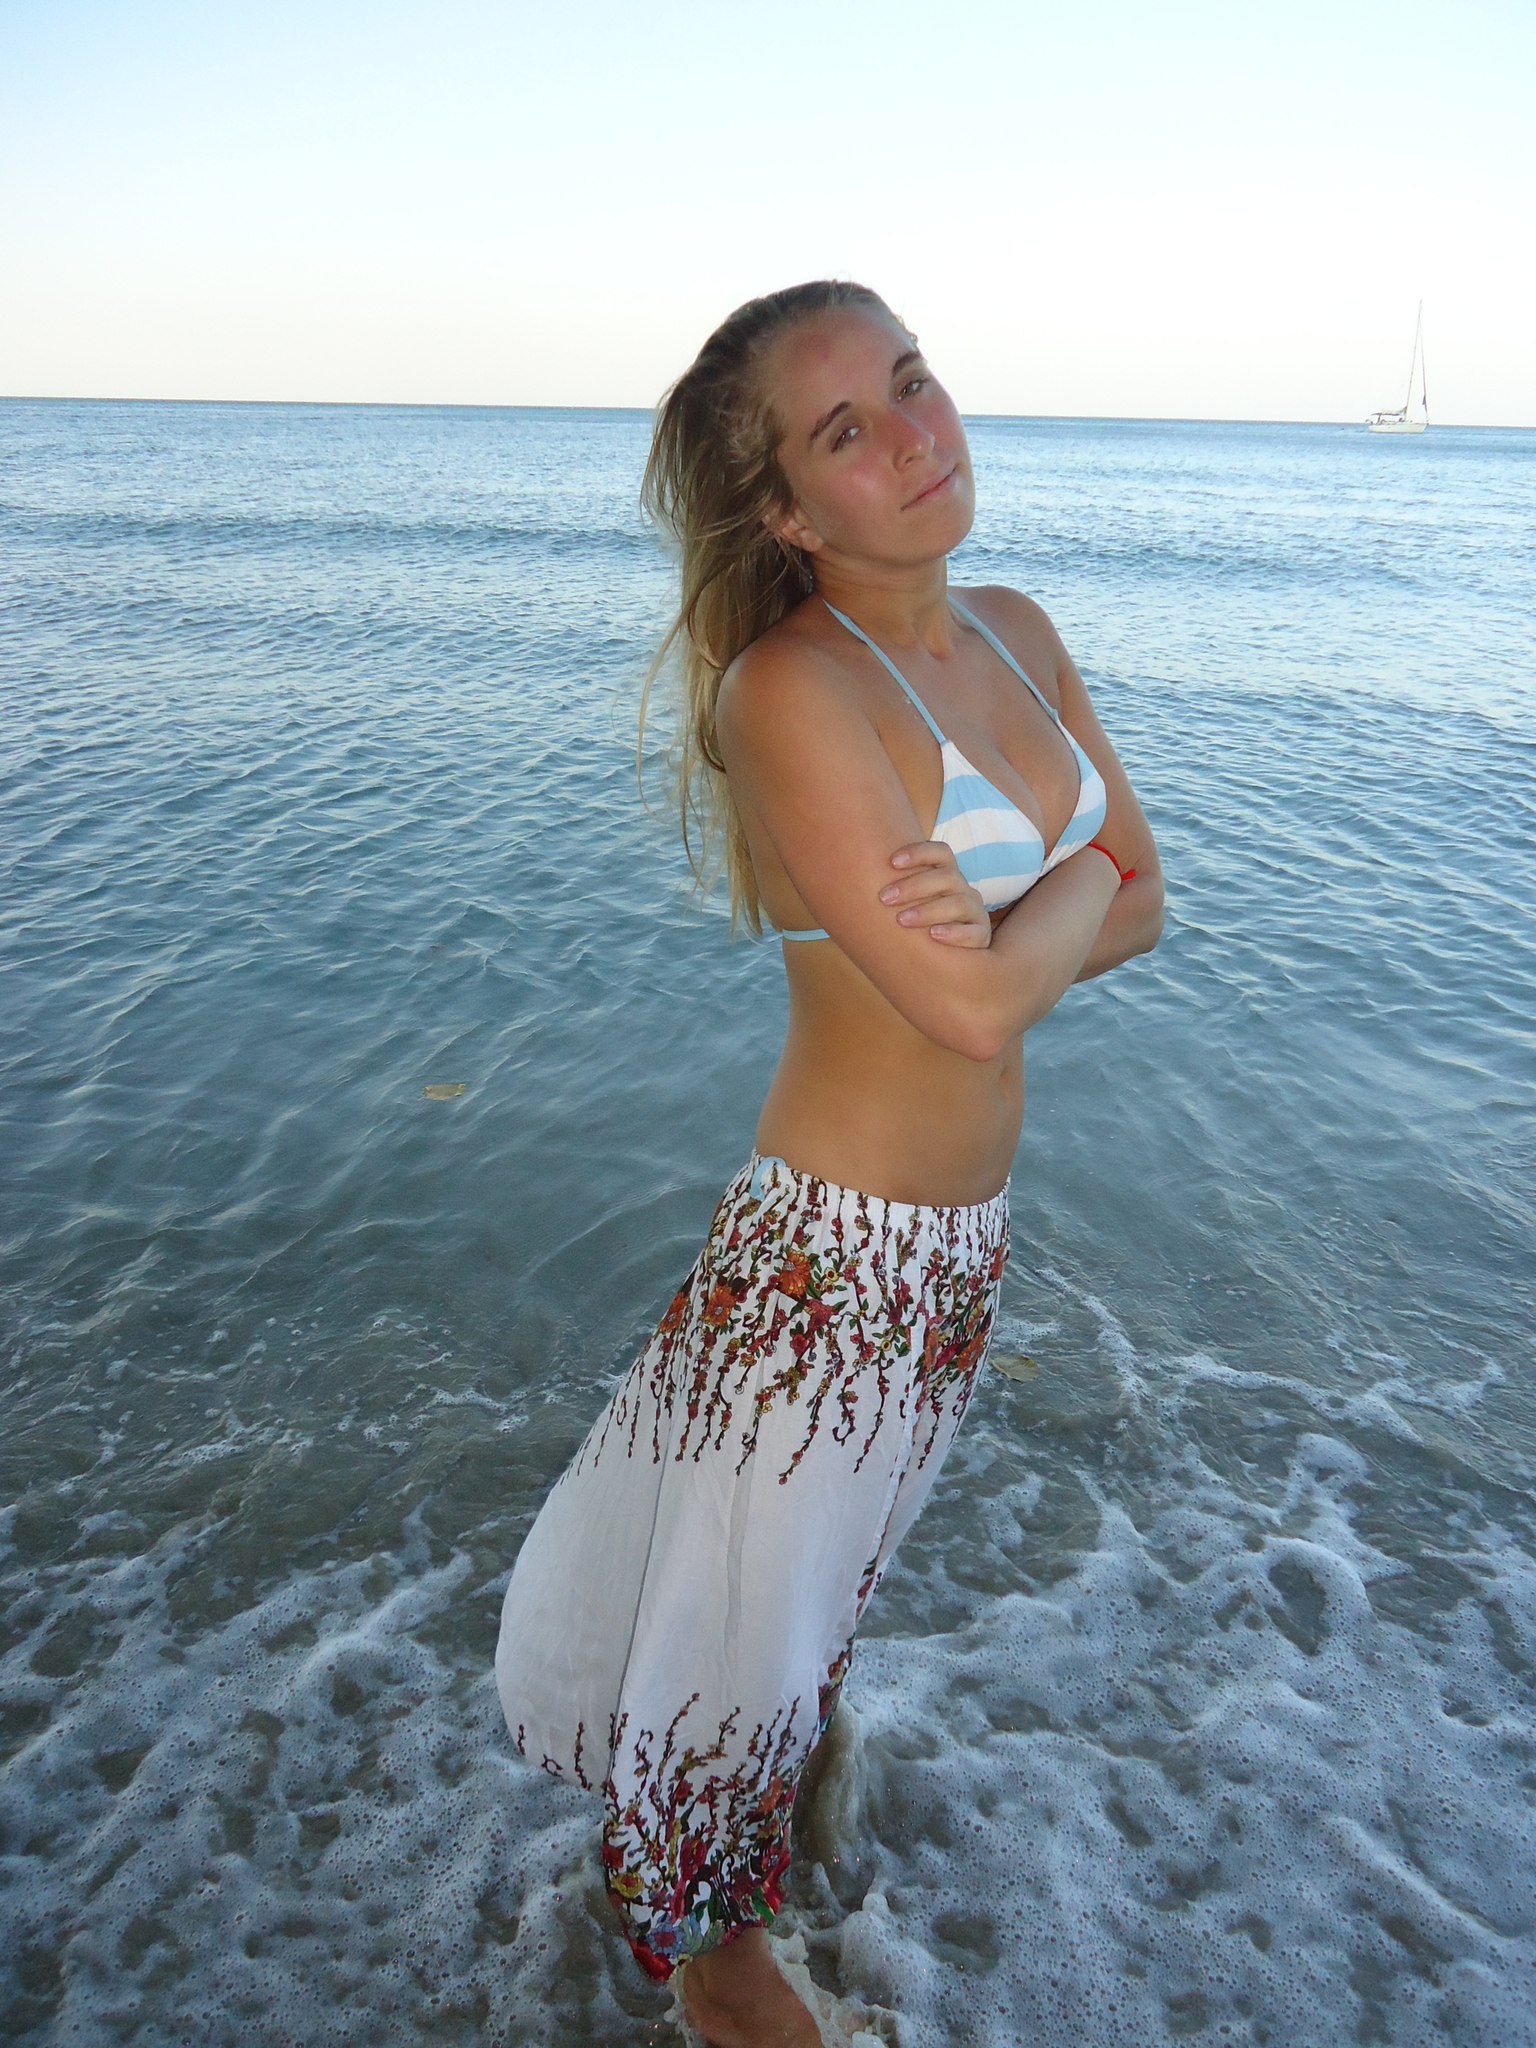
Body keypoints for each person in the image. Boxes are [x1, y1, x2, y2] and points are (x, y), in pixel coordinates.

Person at [495, 279, 1164, 2047]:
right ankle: (715, 1978)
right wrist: (1068, 884)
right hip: (829, 1265)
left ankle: (750, 1853)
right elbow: (975, 1006)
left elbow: (1149, 898)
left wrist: (1041, 907)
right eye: (848, 430)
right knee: (742, 1640)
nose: (919, 436)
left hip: (955, 1255)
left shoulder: (1018, 630)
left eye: (914, 382)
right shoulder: (789, 689)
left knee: (802, 1610)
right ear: (787, 509)